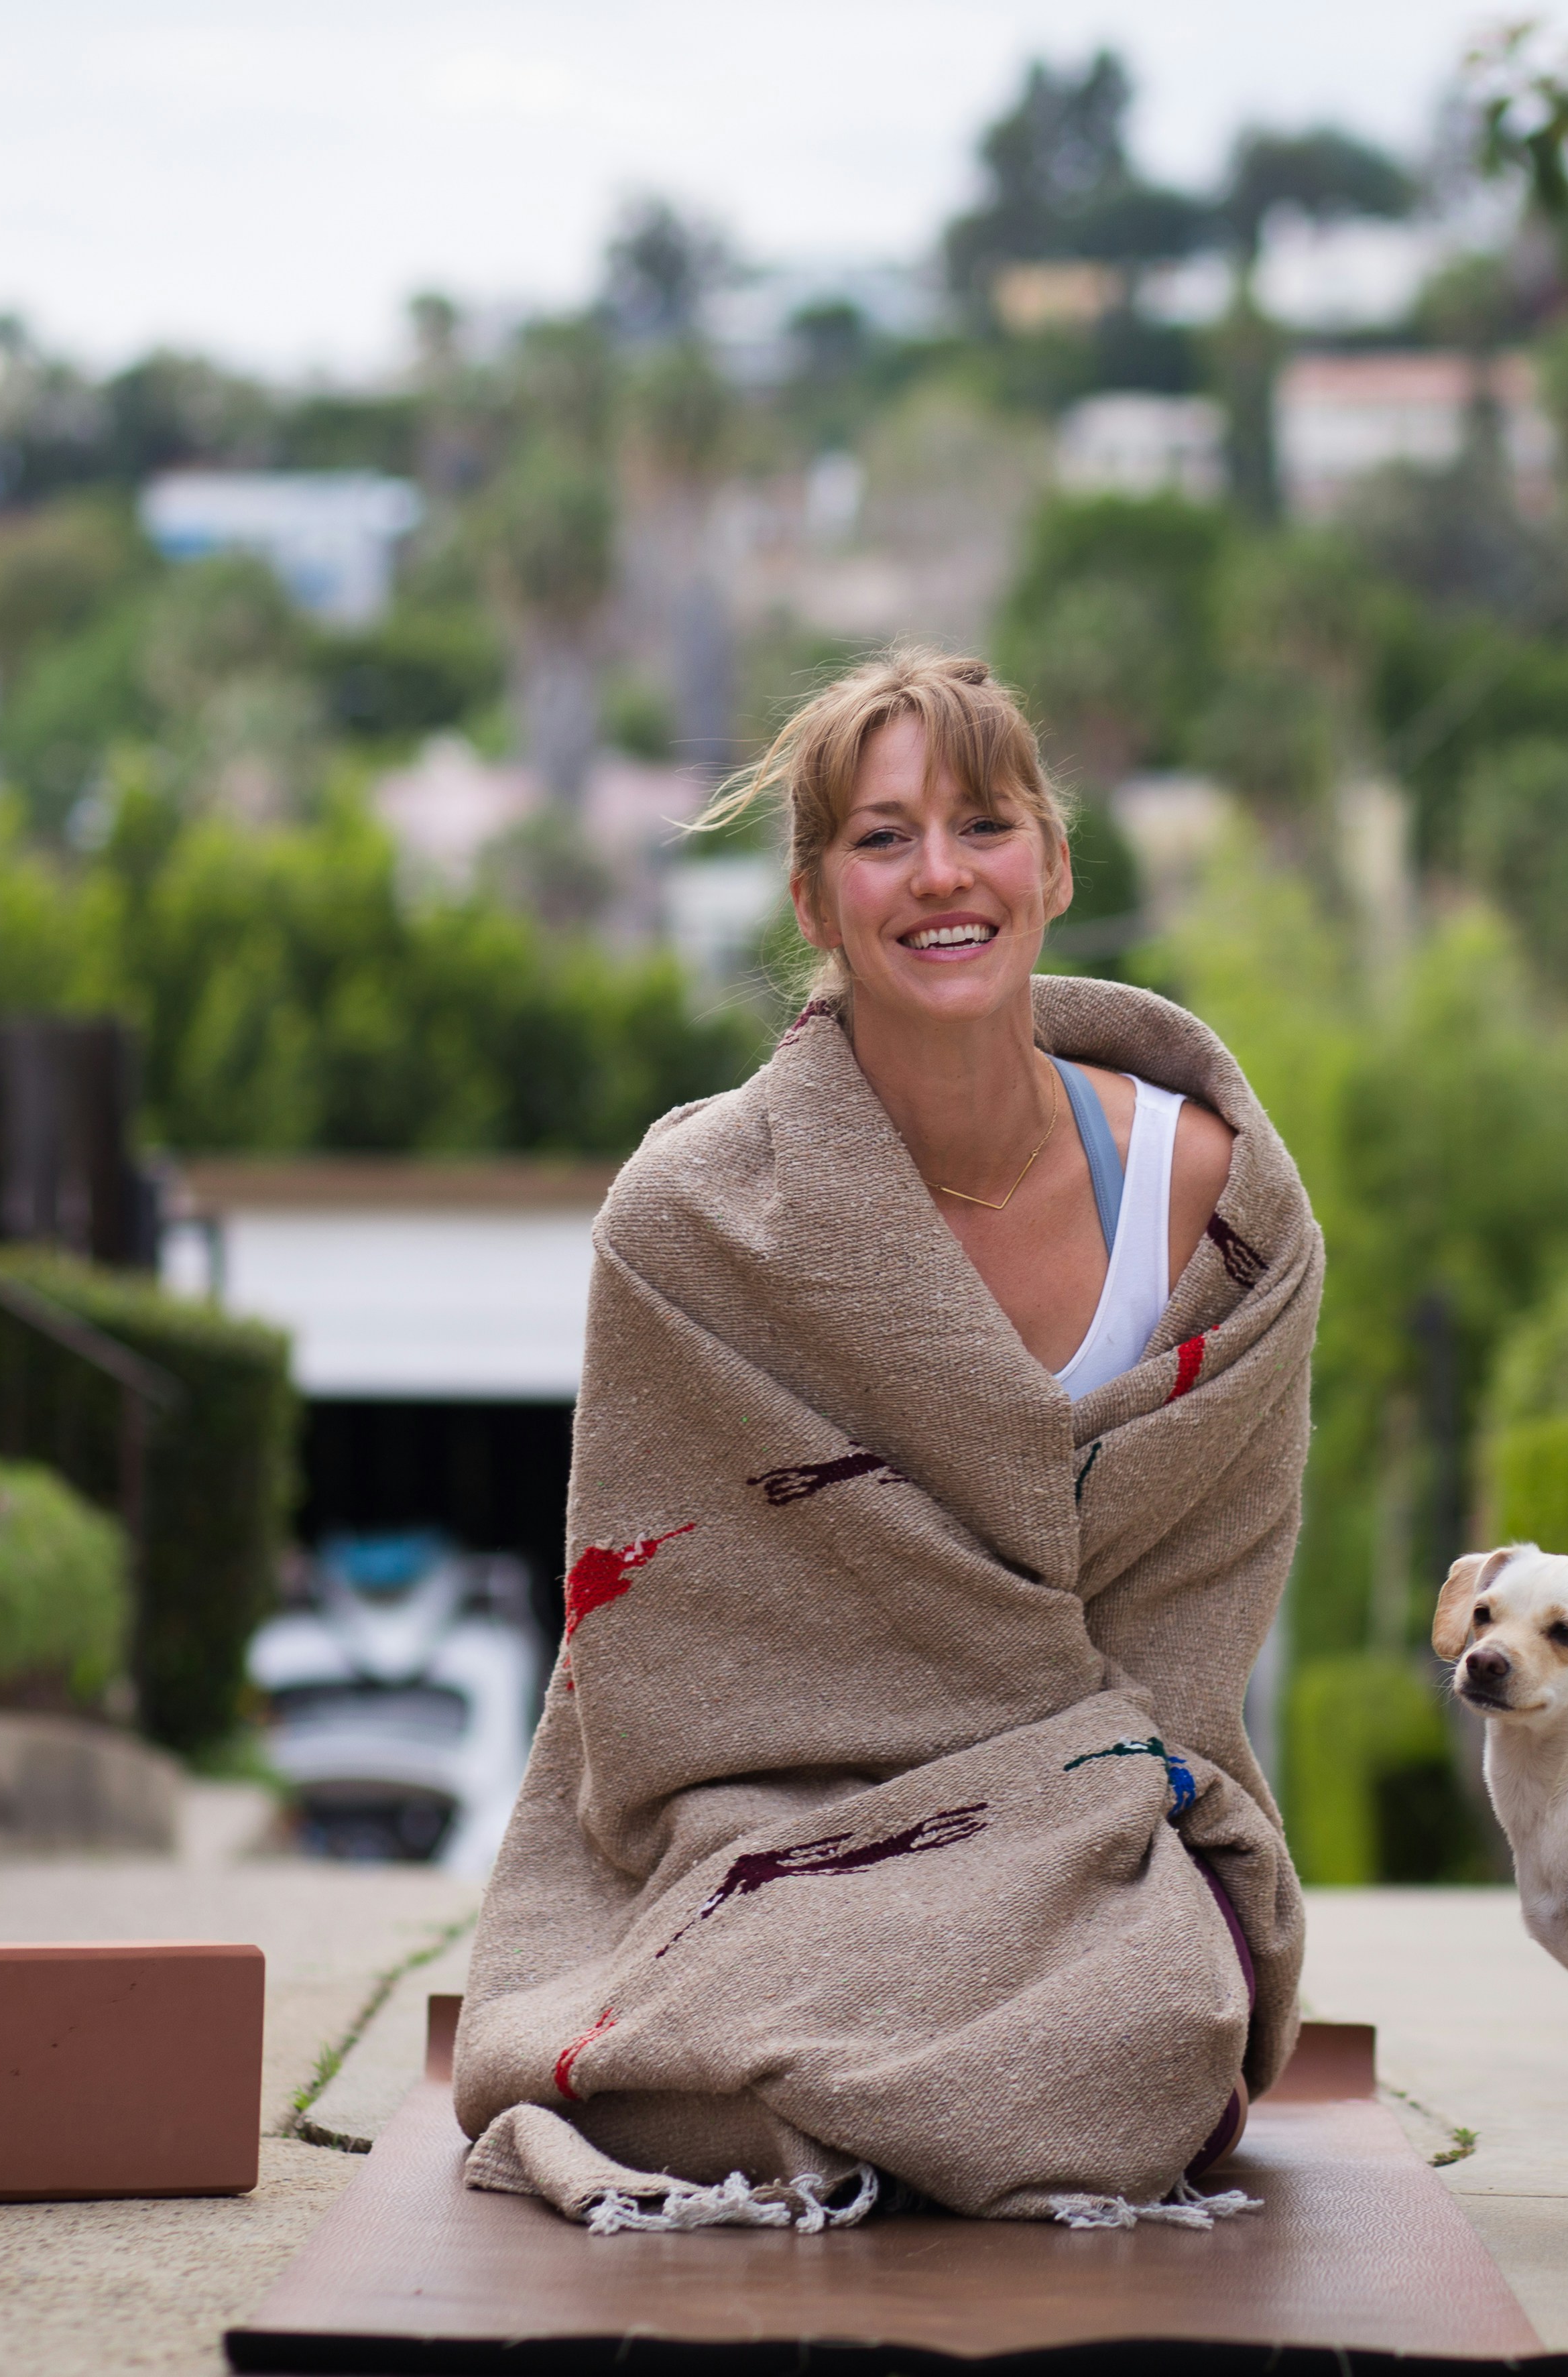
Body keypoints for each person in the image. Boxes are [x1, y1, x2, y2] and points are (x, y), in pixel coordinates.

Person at [451, 649, 1321, 2232]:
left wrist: (1074, 1805)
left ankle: (846, 2105)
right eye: (880, 837)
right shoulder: (692, 1222)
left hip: (1103, 1805)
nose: (940, 877)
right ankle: (851, 2092)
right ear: (811, 902)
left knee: (1153, 2029)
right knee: (741, 1989)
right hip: (784, 1823)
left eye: (982, 824)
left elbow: (1193, 1624)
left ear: (1052, 865)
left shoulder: (1218, 1209)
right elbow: (673, 1658)